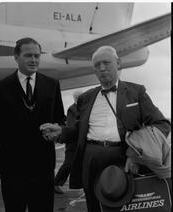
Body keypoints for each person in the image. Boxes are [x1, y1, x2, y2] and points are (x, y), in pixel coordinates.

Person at [40, 46, 171, 212]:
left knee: (124, 204)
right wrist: (61, 132)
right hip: (91, 157)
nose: (102, 68)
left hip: (123, 156)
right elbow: (79, 130)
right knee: (94, 203)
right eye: (97, 65)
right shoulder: (86, 97)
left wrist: (136, 155)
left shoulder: (136, 92)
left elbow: (161, 124)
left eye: (106, 63)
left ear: (118, 63)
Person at [0, 37, 65, 212]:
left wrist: (58, 130)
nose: (34, 60)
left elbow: (60, 119)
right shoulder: (0, 88)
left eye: (37, 56)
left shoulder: (52, 85)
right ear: (16, 57)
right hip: (13, 167)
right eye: (28, 55)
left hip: (43, 166)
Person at [54, 90, 81, 194]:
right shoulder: (72, 109)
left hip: (79, 142)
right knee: (68, 164)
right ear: (76, 98)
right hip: (72, 143)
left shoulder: (82, 107)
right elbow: (71, 126)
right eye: (79, 97)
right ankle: (56, 183)